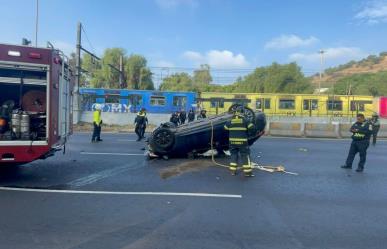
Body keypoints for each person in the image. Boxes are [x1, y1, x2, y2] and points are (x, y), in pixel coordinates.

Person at [224, 108, 255, 177]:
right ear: (242, 113)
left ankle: (232, 171)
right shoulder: (245, 120)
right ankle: (248, 173)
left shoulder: (230, 121)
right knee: (245, 155)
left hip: (232, 142)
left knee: (233, 155)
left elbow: (225, 128)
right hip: (242, 142)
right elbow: (252, 128)